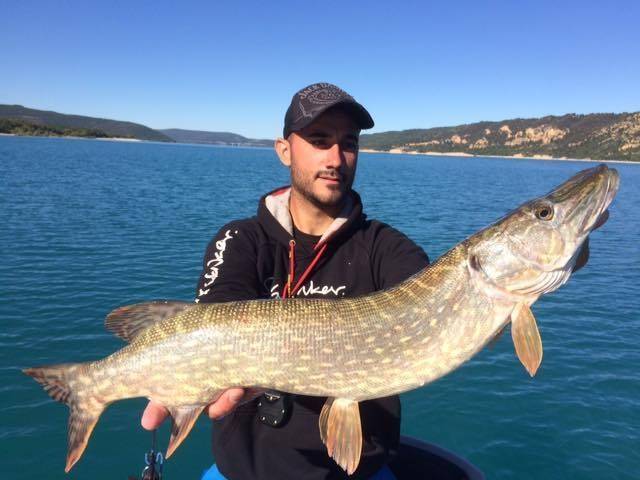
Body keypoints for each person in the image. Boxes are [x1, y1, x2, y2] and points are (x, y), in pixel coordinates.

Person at [140, 82, 598, 479]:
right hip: (244, 473)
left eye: (348, 142)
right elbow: (217, 315)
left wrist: (566, 254)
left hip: (362, 474)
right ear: (284, 150)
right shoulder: (241, 240)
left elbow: (453, 307)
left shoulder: (386, 248)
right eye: (319, 140)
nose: (335, 157)